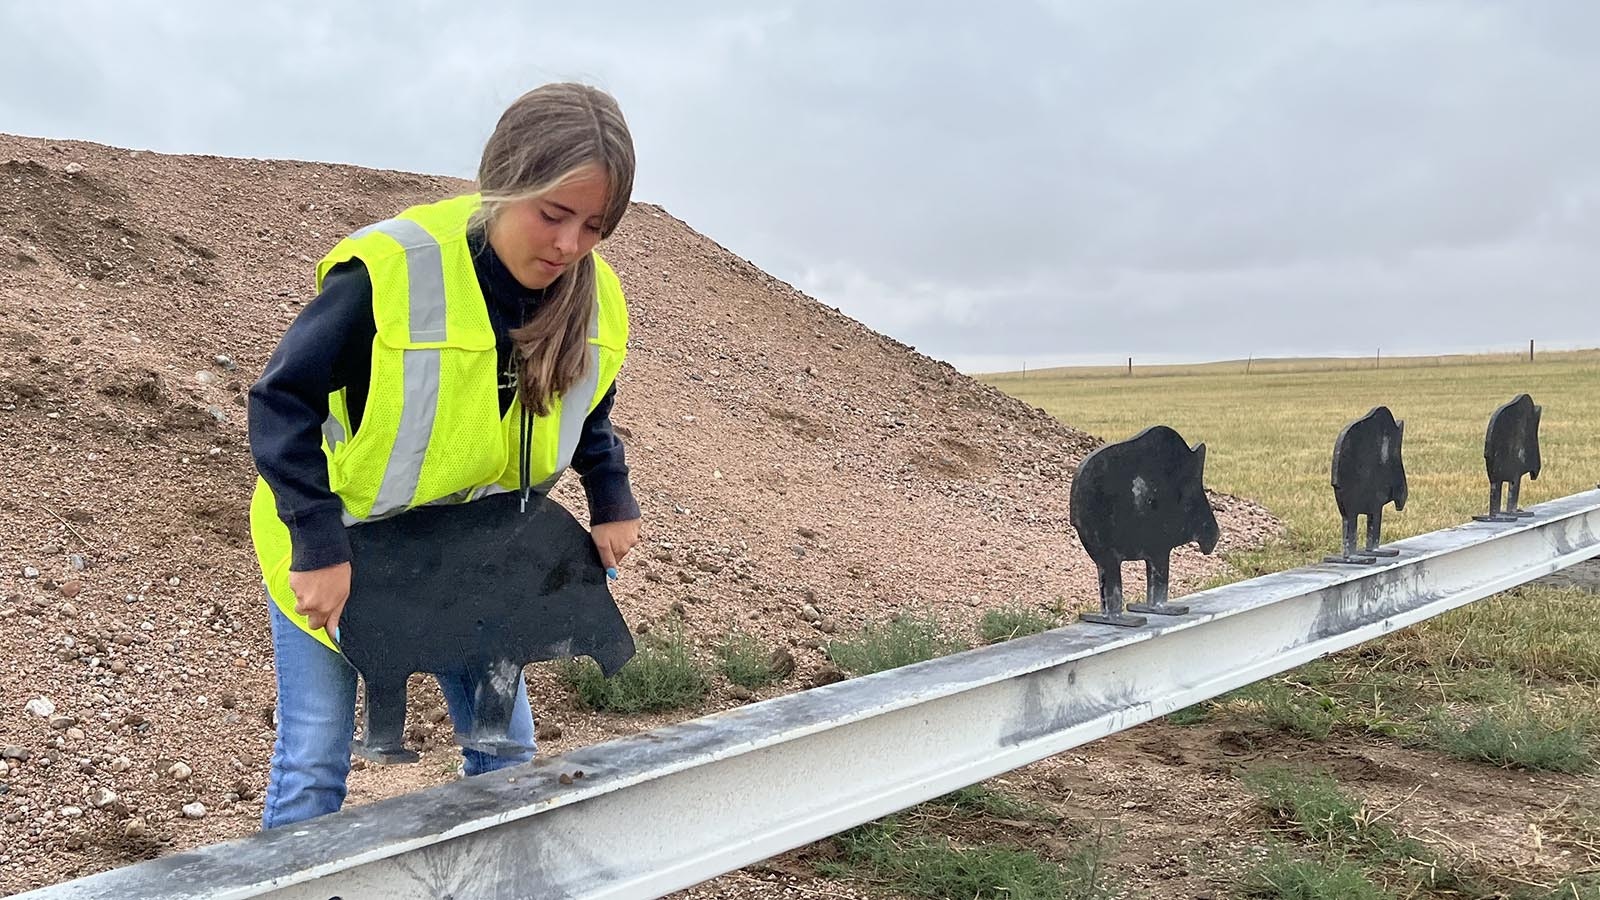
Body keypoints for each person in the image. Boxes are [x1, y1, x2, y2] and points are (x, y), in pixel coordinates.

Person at [246, 83, 642, 829]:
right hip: (343, 549)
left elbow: (588, 403)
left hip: (470, 556)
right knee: (314, 763)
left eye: (595, 225)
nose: (569, 246)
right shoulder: (392, 275)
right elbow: (280, 402)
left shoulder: (591, 295)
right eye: (553, 214)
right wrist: (317, 540)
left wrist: (611, 494)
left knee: (506, 754)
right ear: (502, 183)